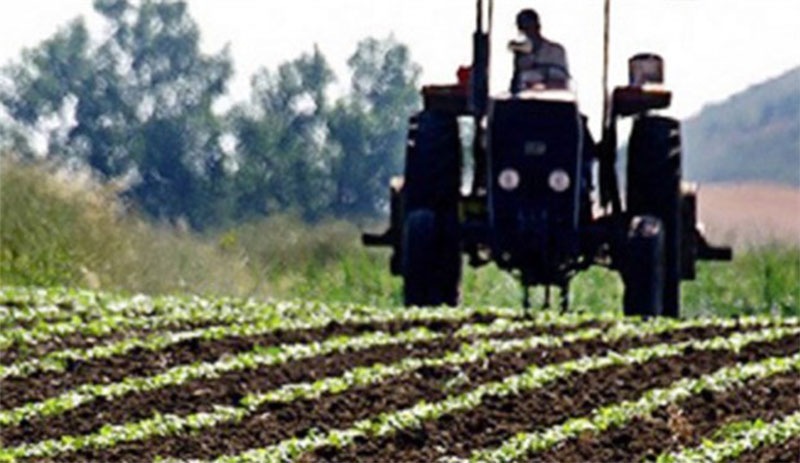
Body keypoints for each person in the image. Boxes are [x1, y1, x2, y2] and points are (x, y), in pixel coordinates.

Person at [508, 8, 569, 91]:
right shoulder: (522, 55)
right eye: (523, 28)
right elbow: (516, 86)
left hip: (552, 99)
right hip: (526, 101)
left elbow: (561, 81)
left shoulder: (555, 51)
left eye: (529, 27)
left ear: (538, 26)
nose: (527, 32)